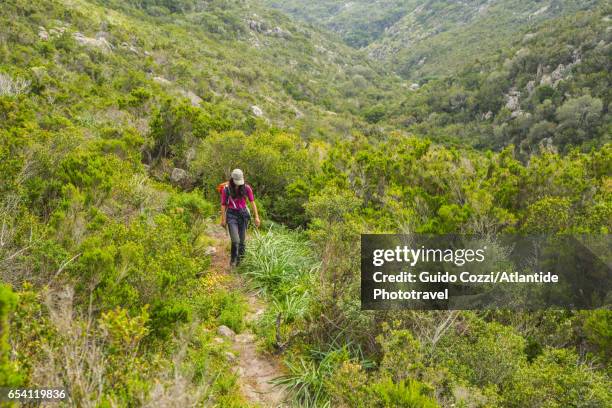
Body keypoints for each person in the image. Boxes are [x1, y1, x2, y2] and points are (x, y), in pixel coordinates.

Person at [220, 169, 260, 267]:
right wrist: (223, 219)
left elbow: (252, 202)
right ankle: (233, 259)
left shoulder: (247, 188)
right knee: (235, 240)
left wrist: (256, 217)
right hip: (231, 215)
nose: (238, 184)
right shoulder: (226, 189)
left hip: (243, 215)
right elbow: (223, 205)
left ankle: (240, 261)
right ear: (232, 179)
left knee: (242, 241)